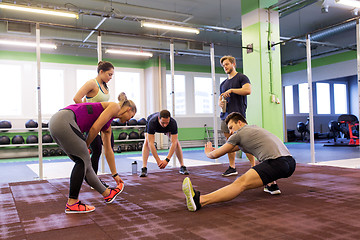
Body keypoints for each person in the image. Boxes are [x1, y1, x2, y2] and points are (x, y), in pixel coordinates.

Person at [182, 112, 296, 212]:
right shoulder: (255, 129)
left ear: (240, 123)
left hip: (276, 164)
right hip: (290, 163)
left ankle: (200, 201)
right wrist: (216, 150)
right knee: (265, 163)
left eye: (231, 127)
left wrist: (208, 152)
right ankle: (272, 185)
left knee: (240, 183)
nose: (231, 132)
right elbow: (232, 148)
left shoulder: (239, 134)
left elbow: (215, 155)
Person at [49, 94, 137, 213]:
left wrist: (115, 175)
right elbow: (95, 128)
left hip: (58, 122)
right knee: (82, 160)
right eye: (131, 116)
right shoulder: (115, 106)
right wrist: (86, 145)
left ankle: (107, 194)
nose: (129, 120)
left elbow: (109, 150)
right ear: (128, 109)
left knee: (85, 164)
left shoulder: (108, 122)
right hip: (65, 119)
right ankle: (72, 203)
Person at [73, 61, 114, 188]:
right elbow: (76, 99)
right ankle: (93, 180)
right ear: (101, 72)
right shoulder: (92, 83)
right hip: (93, 124)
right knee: (96, 150)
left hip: (104, 123)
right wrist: (86, 113)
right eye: (109, 74)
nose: (110, 77)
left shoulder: (105, 86)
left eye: (112, 75)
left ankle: (96, 178)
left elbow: (91, 101)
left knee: (105, 150)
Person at [219, 55, 252, 177]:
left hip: (238, 116)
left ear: (233, 64)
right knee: (229, 143)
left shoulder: (241, 77)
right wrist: (220, 103)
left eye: (227, 64)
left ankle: (254, 166)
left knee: (245, 143)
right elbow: (221, 98)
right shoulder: (223, 83)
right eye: (223, 66)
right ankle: (232, 167)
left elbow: (248, 90)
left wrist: (232, 90)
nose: (225, 67)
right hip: (225, 117)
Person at [139, 110, 189, 177]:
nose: (165, 125)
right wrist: (158, 161)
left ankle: (182, 166)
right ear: (159, 119)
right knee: (147, 141)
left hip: (168, 130)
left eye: (167, 122)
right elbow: (151, 144)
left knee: (176, 142)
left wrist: (167, 160)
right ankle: (144, 168)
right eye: (163, 123)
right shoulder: (152, 122)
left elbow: (173, 143)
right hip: (154, 126)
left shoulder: (172, 123)